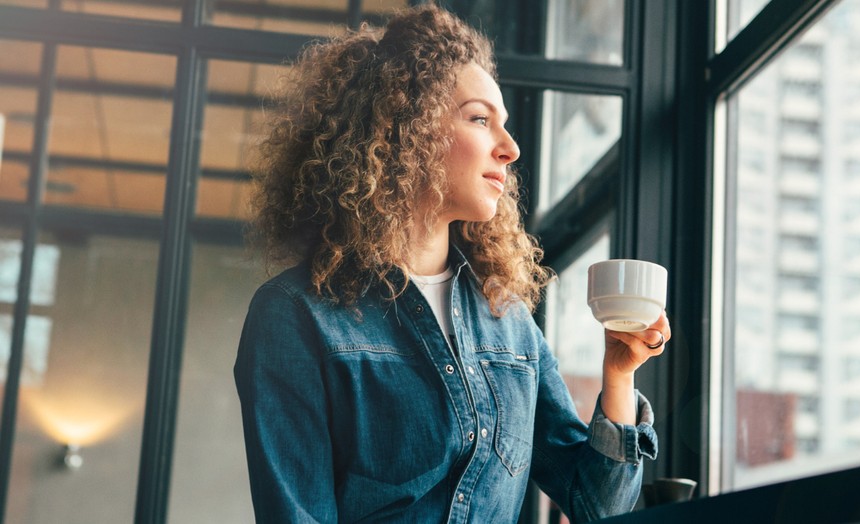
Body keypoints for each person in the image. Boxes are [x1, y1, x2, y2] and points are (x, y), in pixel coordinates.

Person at [234, 4, 670, 523]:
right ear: (404, 130)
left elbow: (595, 503)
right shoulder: (295, 315)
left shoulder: (510, 326)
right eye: (480, 119)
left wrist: (618, 375)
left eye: (503, 126)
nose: (510, 148)